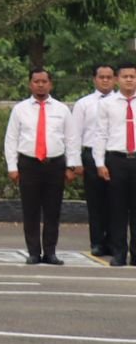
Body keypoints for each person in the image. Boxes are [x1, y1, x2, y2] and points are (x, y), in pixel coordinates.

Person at [5, 68, 80, 265]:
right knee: (30, 210)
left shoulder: (62, 109)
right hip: (29, 164)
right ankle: (33, 252)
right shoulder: (20, 109)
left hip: (54, 164)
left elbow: (72, 139)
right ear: (30, 84)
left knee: (52, 210)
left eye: (44, 81)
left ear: (50, 84)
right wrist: (12, 167)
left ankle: (50, 252)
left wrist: (72, 166)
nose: (40, 84)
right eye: (36, 81)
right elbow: (11, 139)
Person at [90, 61, 136, 266]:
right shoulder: (107, 104)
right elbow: (100, 134)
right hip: (116, 160)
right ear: (117, 79)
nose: (129, 80)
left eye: (132, 76)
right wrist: (100, 163)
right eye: (125, 76)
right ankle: (119, 252)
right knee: (117, 210)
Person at [70, 63, 116, 257]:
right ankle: (97, 242)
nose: (105, 80)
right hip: (90, 156)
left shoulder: (122, 102)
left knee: (116, 202)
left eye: (109, 77)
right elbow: (74, 134)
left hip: (114, 155)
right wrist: (75, 162)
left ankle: (114, 242)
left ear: (115, 79)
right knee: (96, 202)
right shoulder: (84, 104)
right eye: (101, 77)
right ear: (94, 79)